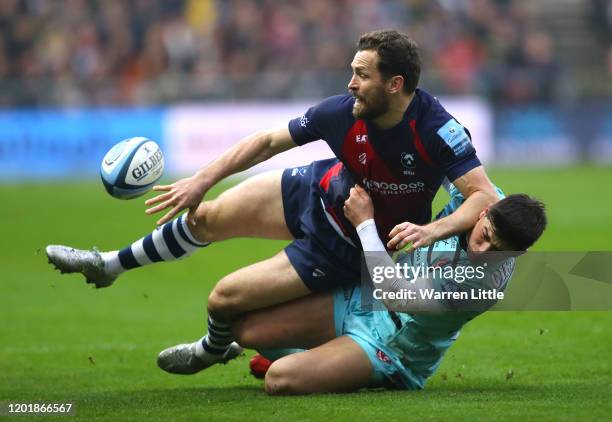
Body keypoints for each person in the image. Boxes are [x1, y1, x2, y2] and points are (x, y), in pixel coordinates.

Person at [45, 29, 499, 372]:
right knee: (205, 217)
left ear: (395, 83)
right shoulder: (340, 112)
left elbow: (481, 195)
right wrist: (201, 180)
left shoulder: (438, 130)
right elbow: (266, 142)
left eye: (362, 74)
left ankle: (211, 348)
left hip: (345, 244)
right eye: (352, 71)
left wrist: (430, 229)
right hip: (317, 189)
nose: (351, 83)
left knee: (225, 300)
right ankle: (108, 265)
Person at [230, 185, 547, 394]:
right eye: (486, 235)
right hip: (363, 297)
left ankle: (339, 364)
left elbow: (396, 295)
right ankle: (323, 357)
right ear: (484, 211)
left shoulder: (482, 284)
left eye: (497, 250)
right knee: (246, 331)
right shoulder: (483, 195)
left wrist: (365, 223)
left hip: (391, 347)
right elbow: (449, 155)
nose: (483, 250)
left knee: (279, 379)